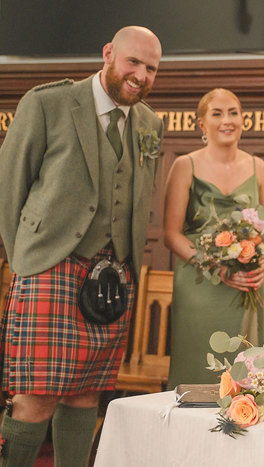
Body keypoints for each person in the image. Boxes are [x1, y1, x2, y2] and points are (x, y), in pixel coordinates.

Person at [0, 26, 163, 466]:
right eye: (133, 62)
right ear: (108, 53)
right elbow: (9, 187)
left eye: (151, 68)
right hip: (49, 267)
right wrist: (25, 262)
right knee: (36, 396)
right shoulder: (47, 103)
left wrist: (128, 265)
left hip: (113, 276)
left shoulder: (150, 122)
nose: (141, 74)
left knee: (86, 395)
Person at [164, 88, 264, 389]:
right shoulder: (185, 166)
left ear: (242, 119)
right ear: (202, 124)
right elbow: (171, 235)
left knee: (243, 378)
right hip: (200, 286)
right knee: (197, 372)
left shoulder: (258, 167)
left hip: (246, 286)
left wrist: (263, 260)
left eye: (233, 112)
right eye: (217, 113)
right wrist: (217, 267)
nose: (227, 120)